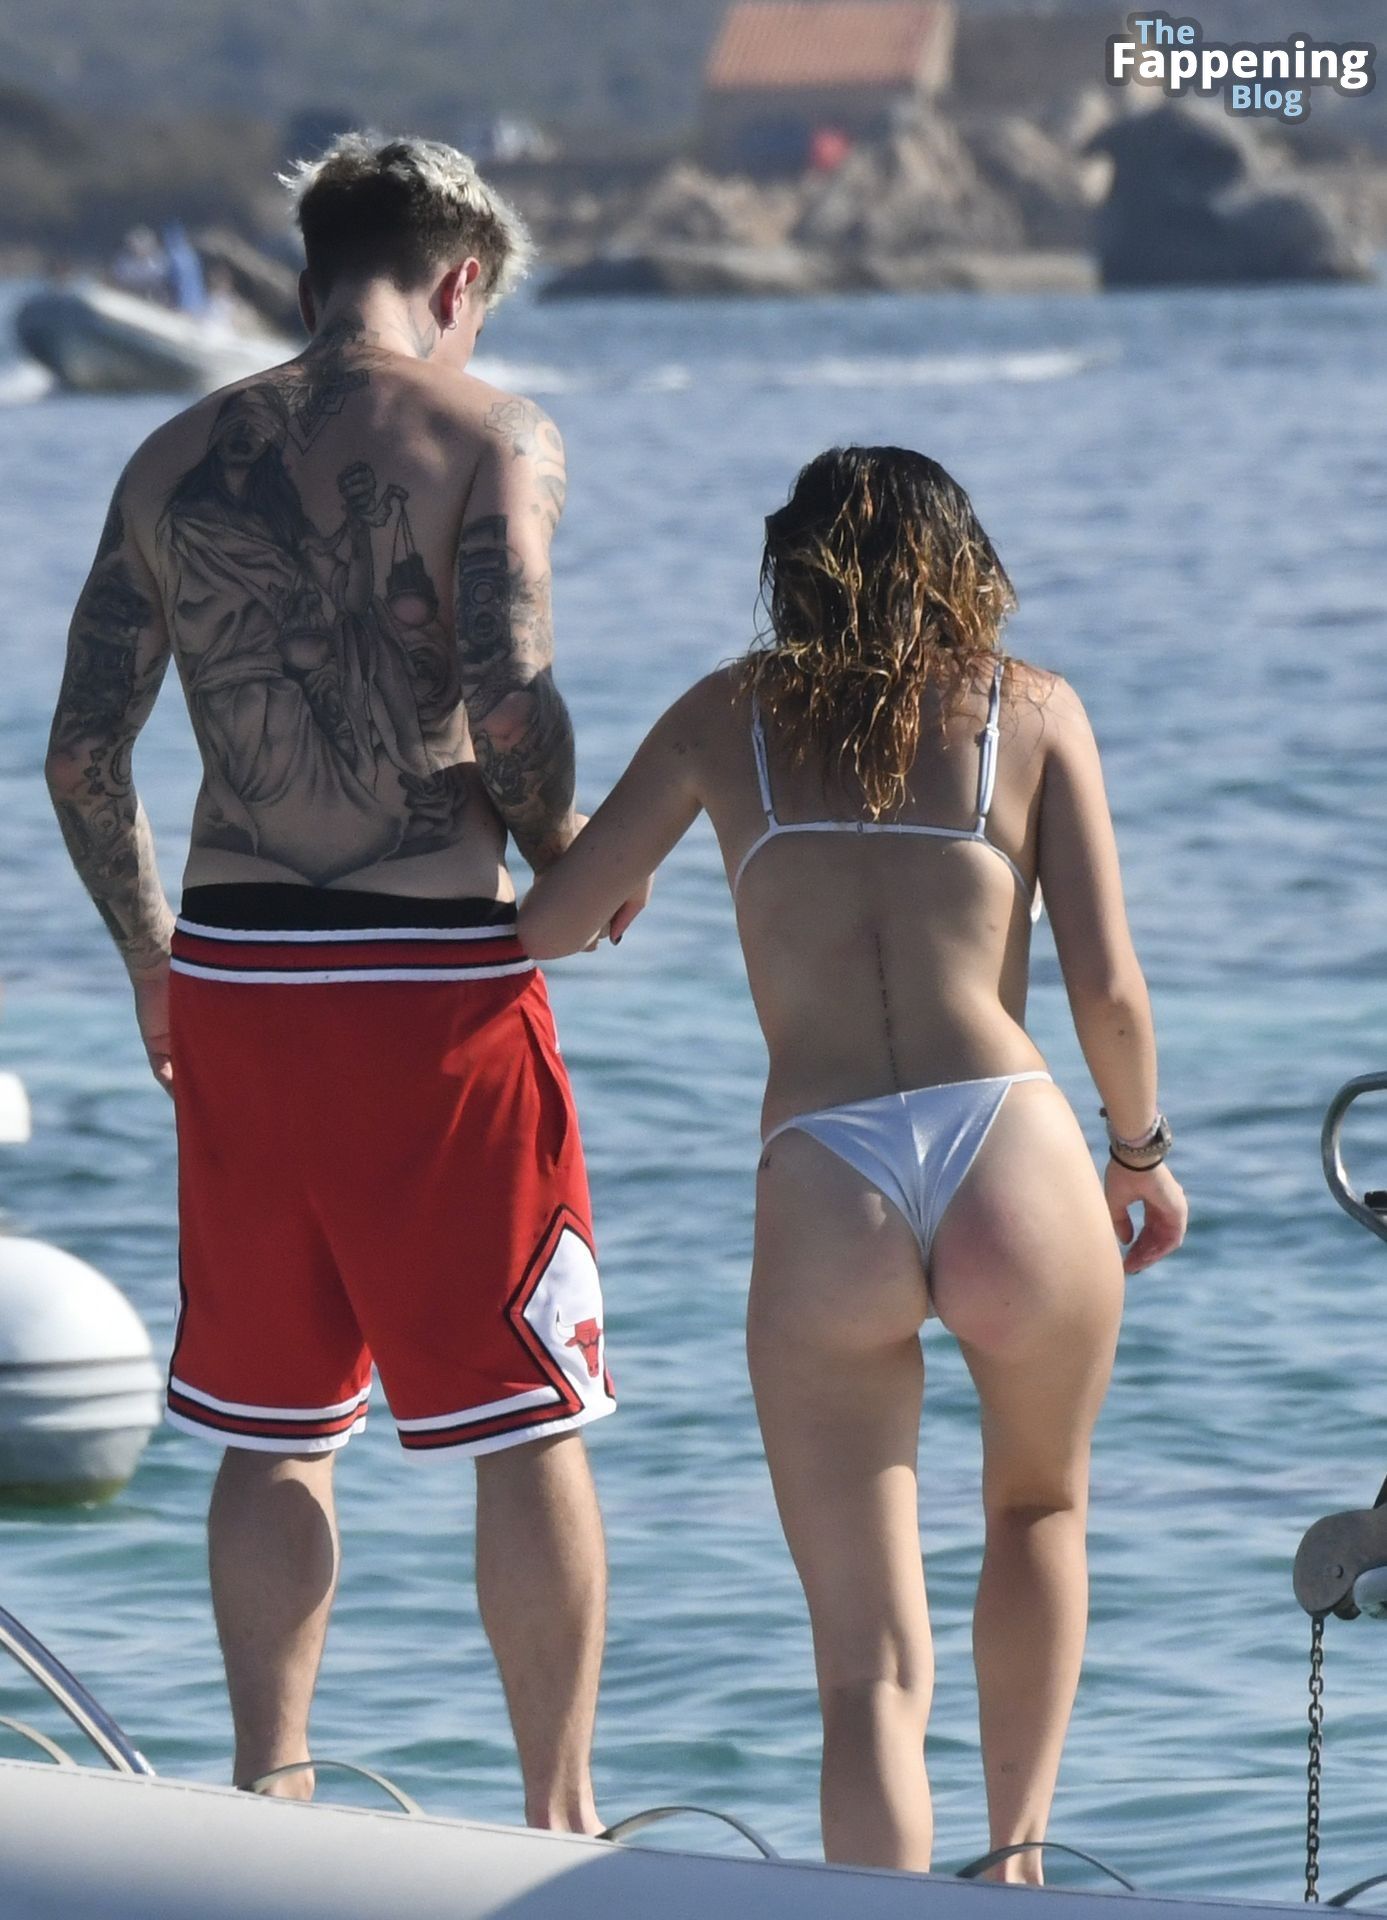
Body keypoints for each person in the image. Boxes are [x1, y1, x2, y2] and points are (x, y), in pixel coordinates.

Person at [45, 133, 641, 1828]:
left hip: (239, 974)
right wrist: (570, 851)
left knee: (276, 1420)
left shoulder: (171, 456)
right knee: (526, 1417)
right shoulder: (495, 432)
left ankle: (270, 1792)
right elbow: (509, 698)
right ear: (460, 282)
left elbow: (84, 758)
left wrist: (155, 968)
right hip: (426, 981)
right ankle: (558, 1820)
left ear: (310, 280)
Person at [519, 446, 1188, 1876]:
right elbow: (1109, 990)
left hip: (828, 1173)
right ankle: (1016, 1865)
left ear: (792, 574)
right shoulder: (1033, 710)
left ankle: (881, 1907)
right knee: (1038, 1508)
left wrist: (561, 839)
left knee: (865, 1660)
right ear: (966, 563)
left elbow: (549, 926)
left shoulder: (726, 717)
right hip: (1011, 1144)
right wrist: (1139, 1151)